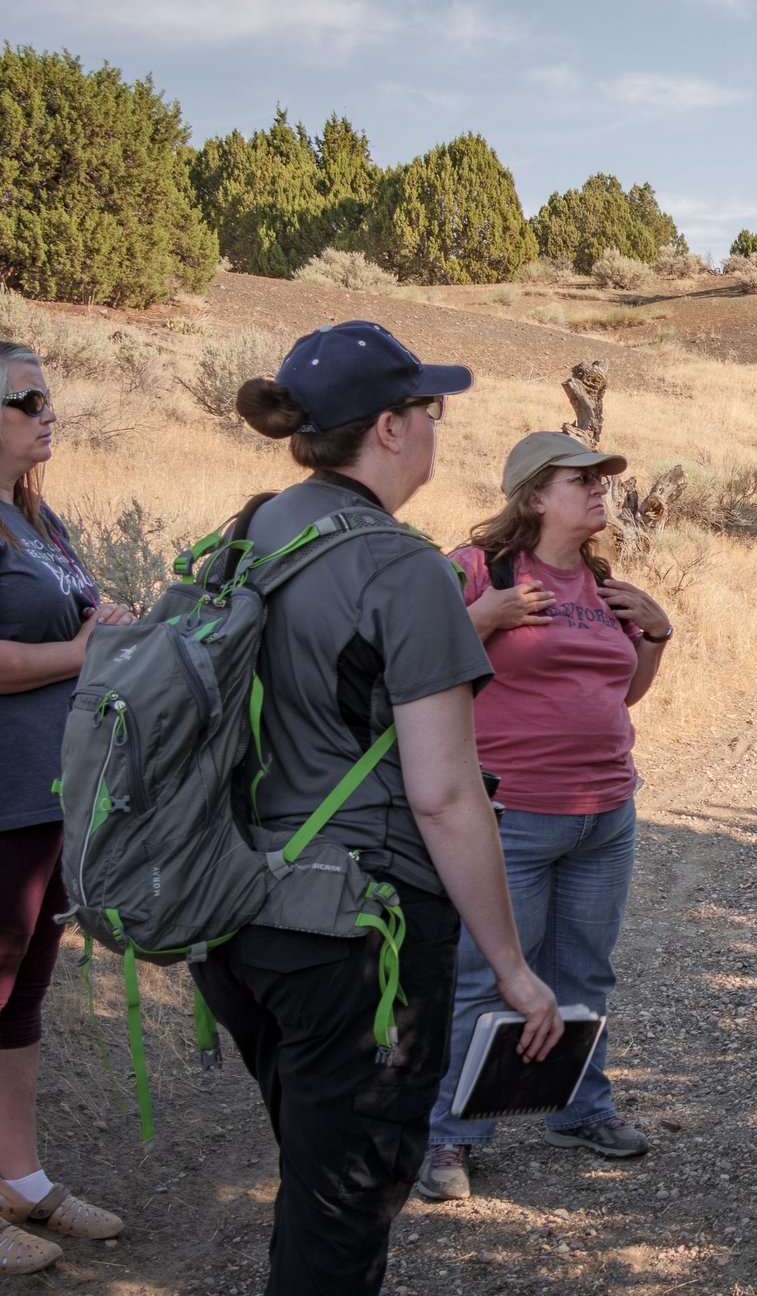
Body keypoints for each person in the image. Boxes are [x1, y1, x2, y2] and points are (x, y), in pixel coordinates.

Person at [188, 322, 562, 1295]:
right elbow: (443, 795)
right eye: (430, 409)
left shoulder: (254, 525)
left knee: (317, 1186)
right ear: (390, 427)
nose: (439, 426)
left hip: (238, 920)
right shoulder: (405, 570)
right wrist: (516, 970)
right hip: (358, 941)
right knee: (341, 1216)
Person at [417, 431, 671, 1202]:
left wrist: (656, 631)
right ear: (532, 496)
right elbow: (417, 670)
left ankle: (579, 1108)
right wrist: (485, 615)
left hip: (605, 812)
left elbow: (619, 694)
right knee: (488, 977)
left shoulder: (601, 584)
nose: (599, 489)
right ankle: (450, 1138)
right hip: (508, 814)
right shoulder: (475, 571)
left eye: (602, 479)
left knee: (585, 973)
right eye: (580, 479)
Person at [0, 343, 133, 1276]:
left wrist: (111, 629)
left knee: (23, 998)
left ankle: (21, 1178)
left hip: (52, 800)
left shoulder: (37, 521)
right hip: (0, 802)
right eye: (27, 397)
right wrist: (84, 652)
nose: (49, 411)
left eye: (51, 396)